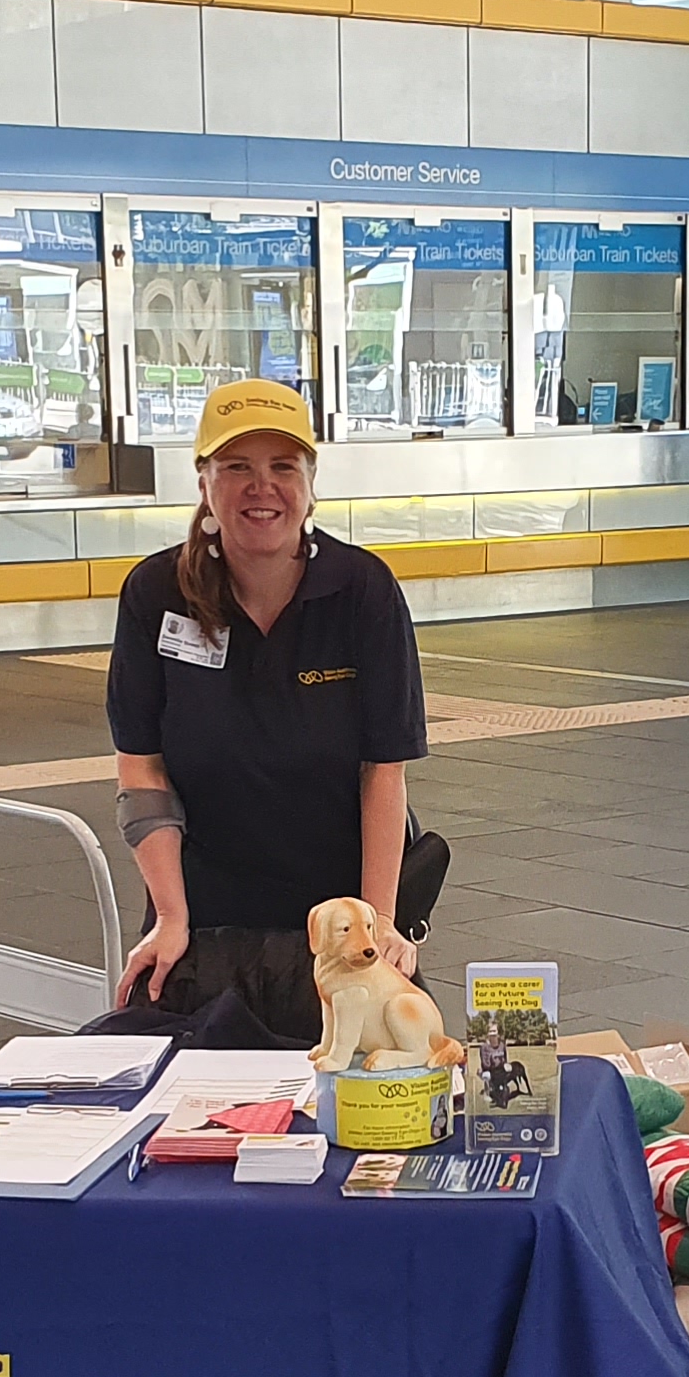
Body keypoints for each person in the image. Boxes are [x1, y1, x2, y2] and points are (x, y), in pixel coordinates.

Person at [105, 378, 429, 1042]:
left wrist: (379, 924)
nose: (262, 487)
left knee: (379, 1081)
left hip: (337, 920)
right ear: (204, 484)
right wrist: (170, 919)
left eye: (283, 467)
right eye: (237, 468)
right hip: (202, 916)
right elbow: (142, 770)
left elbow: (382, 773)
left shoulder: (360, 591)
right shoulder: (156, 593)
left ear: (310, 483)